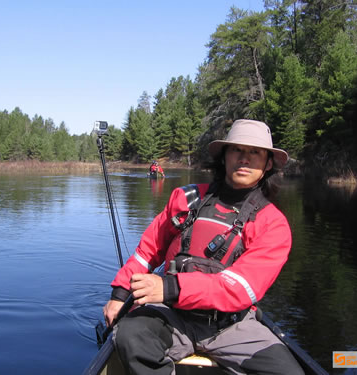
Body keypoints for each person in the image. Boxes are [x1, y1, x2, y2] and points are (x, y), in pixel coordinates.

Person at [103, 119, 303, 375]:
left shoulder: (273, 224)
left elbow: (240, 288)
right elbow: (146, 253)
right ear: (224, 157)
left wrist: (168, 287)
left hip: (232, 326)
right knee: (131, 335)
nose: (245, 158)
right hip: (172, 316)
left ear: (267, 164)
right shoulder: (186, 200)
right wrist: (119, 296)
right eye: (237, 150)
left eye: (255, 152)